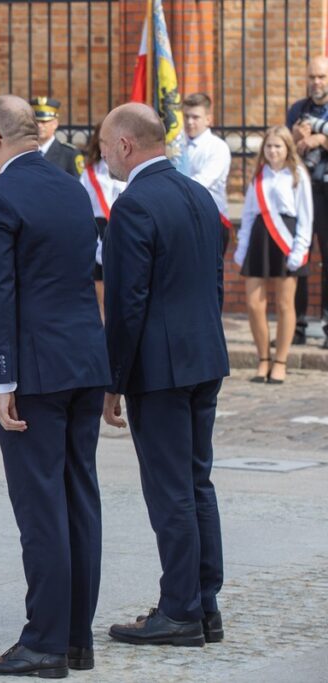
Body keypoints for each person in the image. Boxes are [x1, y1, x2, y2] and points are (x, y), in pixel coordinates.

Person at [0, 96, 109, 679]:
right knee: (80, 499)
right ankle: (76, 640)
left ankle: (45, 643)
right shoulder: (71, 187)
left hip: (34, 371)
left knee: (41, 508)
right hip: (84, 362)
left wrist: (2, 379)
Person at [100, 103, 230, 648]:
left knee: (171, 489)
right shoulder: (199, 195)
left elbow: (126, 303)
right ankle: (204, 604)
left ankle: (179, 610)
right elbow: (215, 282)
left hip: (160, 369)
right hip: (204, 356)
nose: (103, 156)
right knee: (197, 483)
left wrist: (113, 379)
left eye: (104, 145)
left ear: (126, 145)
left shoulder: (134, 205)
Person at [234, 126, 313, 384]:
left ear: (288, 148)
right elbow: (247, 215)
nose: (273, 151)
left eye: (278, 146)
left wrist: (300, 249)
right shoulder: (259, 176)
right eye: (268, 146)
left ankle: (280, 361)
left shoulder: (297, 174)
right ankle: (263, 359)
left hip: (286, 239)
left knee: (284, 304)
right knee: (254, 303)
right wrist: (242, 246)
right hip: (260, 239)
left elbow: (306, 217)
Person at [287, 55, 328, 348]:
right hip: (302, 192)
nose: (316, 82)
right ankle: (297, 327)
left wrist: (321, 140)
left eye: (322, 77)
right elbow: (279, 150)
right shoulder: (297, 110)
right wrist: (293, 138)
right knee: (299, 258)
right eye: (312, 77)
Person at [79, 123, 125, 316]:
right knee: (102, 299)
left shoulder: (127, 168)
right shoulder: (90, 172)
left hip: (124, 236)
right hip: (99, 236)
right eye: (103, 141)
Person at [178, 93, 232, 255]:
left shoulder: (218, 147)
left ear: (208, 119)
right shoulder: (175, 145)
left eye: (195, 117)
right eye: (186, 116)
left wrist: (171, 189)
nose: (189, 122)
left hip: (209, 219)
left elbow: (202, 183)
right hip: (181, 219)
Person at [30, 96, 83, 177]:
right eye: (36, 121)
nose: (39, 125)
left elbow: (76, 182)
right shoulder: (24, 151)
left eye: (44, 121)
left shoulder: (69, 154)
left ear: (55, 123)